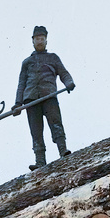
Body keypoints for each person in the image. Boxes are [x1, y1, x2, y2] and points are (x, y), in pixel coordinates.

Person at [14, 25, 75, 170]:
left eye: (42, 39)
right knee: (36, 131)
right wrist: (17, 104)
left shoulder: (53, 58)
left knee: (56, 123)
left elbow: (63, 73)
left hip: (49, 96)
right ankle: (40, 161)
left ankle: (63, 151)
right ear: (33, 41)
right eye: (37, 39)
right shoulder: (26, 62)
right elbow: (21, 84)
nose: (39, 41)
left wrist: (69, 83)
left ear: (46, 41)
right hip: (30, 100)